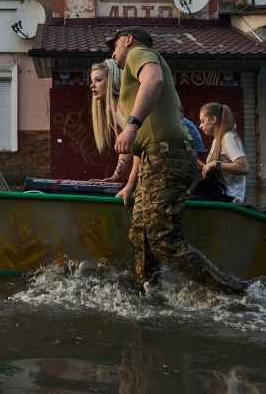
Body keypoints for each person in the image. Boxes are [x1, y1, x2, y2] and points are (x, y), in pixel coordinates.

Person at [108, 25, 247, 296]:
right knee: (141, 234)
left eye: (114, 46)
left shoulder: (139, 53)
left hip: (168, 156)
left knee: (163, 241)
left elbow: (155, 80)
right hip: (155, 158)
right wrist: (131, 183)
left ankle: (235, 292)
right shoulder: (131, 78)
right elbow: (145, 143)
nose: (113, 53)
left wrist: (132, 125)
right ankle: (148, 294)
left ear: (127, 40)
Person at [195, 102, 249, 203]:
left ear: (213, 120)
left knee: (188, 202)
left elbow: (244, 168)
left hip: (230, 197)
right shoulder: (217, 140)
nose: (200, 126)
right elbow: (213, 171)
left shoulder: (228, 138)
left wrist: (215, 163)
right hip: (219, 192)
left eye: (202, 121)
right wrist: (196, 162)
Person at [89, 59, 131, 182]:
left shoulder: (124, 102)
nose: (92, 85)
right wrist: (115, 177)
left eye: (98, 80)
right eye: (92, 81)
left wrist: (132, 183)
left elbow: (141, 144)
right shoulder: (112, 113)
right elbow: (126, 149)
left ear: (112, 81)